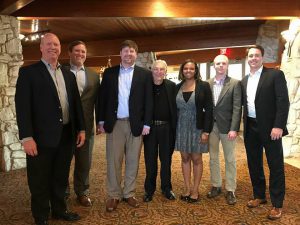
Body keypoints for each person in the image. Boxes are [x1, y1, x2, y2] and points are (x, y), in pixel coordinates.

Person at [15, 33, 86, 225]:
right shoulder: (28, 73)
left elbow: (76, 105)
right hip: (40, 138)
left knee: (60, 177)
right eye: (48, 44)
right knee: (39, 179)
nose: (52, 47)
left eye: (56, 44)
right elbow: (22, 108)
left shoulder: (68, 75)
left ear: (60, 48)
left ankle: (59, 210)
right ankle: (41, 216)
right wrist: (26, 137)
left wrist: (81, 129)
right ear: (41, 47)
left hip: (66, 135)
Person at [96, 40, 153, 212]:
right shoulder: (109, 73)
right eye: (126, 51)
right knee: (113, 160)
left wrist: (147, 123)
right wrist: (100, 121)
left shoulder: (144, 74)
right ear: (120, 54)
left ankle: (129, 193)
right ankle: (114, 195)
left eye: (132, 51)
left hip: (136, 125)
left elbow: (149, 101)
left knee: (133, 161)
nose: (129, 54)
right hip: (115, 124)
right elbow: (102, 99)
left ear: (136, 54)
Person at [241, 45, 289, 220]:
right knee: (254, 163)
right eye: (251, 55)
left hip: (271, 129)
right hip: (251, 127)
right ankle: (259, 196)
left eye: (257, 55)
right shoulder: (244, 80)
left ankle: (277, 204)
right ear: (248, 58)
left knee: (275, 165)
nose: (253, 58)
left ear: (262, 57)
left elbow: (283, 102)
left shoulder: (275, 75)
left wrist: (279, 126)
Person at [66, 40, 100, 206]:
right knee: (63, 161)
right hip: (64, 126)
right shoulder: (61, 71)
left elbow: (98, 101)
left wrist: (100, 121)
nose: (80, 54)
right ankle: (62, 191)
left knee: (84, 161)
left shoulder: (94, 75)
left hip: (86, 126)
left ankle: (82, 192)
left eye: (83, 52)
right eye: (77, 51)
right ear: (69, 53)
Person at [175, 59, 213, 203]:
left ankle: (195, 190)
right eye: (186, 68)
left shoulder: (203, 86)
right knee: (185, 158)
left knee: (196, 159)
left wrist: (206, 131)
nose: (188, 71)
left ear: (196, 70)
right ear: (182, 71)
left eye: (191, 68)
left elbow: (209, 109)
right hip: (181, 127)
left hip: (198, 127)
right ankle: (187, 188)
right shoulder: (177, 87)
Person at [207, 55, 242, 205]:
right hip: (211, 127)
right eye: (218, 63)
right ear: (214, 66)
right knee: (213, 158)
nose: (220, 66)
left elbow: (237, 108)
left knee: (230, 159)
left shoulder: (234, 83)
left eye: (223, 63)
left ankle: (230, 189)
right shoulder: (207, 83)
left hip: (228, 128)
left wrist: (234, 128)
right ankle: (216, 185)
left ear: (227, 66)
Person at [143, 60, 177, 202]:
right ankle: (149, 190)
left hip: (166, 129)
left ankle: (166, 188)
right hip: (149, 129)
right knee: (150, 161)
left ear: (165, 71)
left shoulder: (172, 86)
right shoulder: (145, 86)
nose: (158, 72)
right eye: (155, 69)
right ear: (152, 70)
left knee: (166, 160)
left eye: (161, 69)